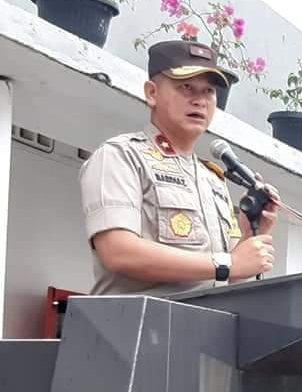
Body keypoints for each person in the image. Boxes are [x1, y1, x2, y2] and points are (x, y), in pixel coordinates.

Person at [79, 40, 277, 295]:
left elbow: (224, 278)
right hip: (133, 328)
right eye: (186, 87)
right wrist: (229, 263)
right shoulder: (121, 156)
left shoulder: (213, 180)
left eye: (208, 91)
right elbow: (118, 252)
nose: (200, 101)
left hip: (205, 328)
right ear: (152, 93)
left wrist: (249, 232)